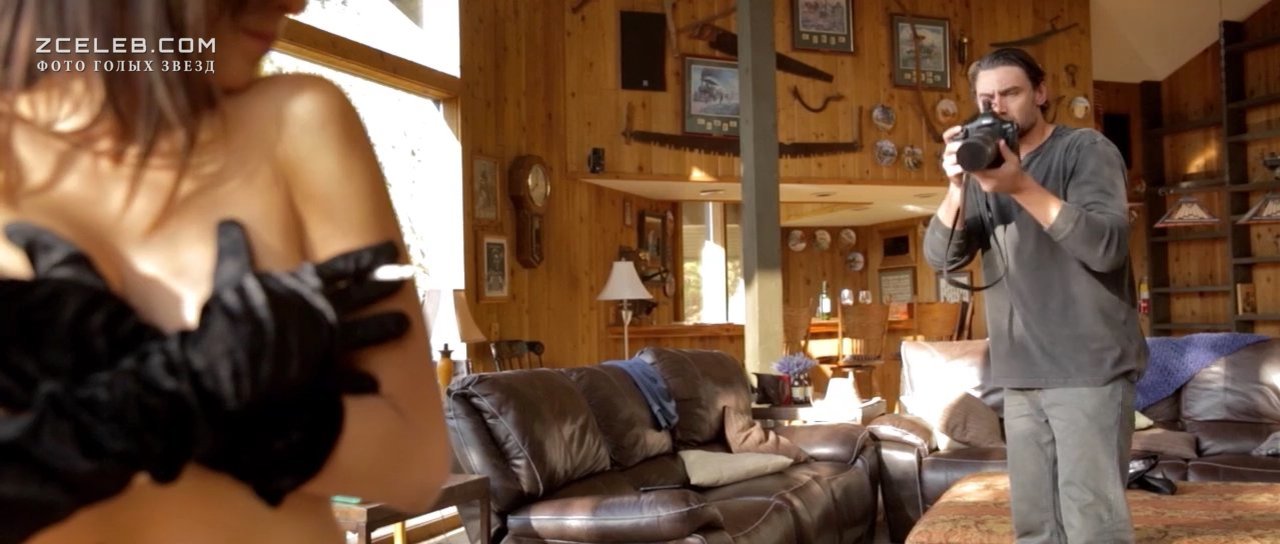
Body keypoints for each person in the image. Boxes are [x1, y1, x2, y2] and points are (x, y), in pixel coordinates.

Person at [0, 1, 451, 542]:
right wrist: (179, 390)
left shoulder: (297, 120)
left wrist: (214, 405)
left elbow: (416, 466)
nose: (296, 2)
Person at [923, 47, 1147, 543]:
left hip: (1089, 367)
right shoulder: (984, 172)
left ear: (1041, 93)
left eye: (1010, 93)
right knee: (1035, 526)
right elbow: (942, 258)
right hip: (1020, 371)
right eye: (986, 98)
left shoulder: (1084, 150)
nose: (997, 107)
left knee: (1092, 524)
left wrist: (1020, 186)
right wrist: (958, 188)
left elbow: (1107, 247)